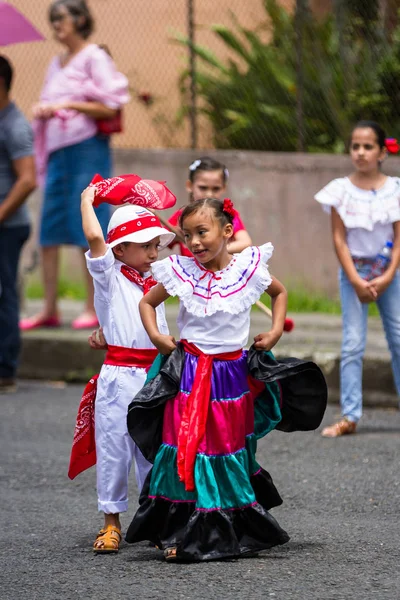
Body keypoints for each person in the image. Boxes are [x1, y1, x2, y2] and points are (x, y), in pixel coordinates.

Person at [124, 197, 328, 561]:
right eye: (187, 236)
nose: (195, 242)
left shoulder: (247, 269)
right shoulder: (182, 271)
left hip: (231, 379)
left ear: (227, 231)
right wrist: (157, 337)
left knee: (223, 448)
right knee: (186, 446)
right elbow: (147, 303)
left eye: (202, 232)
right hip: (188, 375)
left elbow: (279, 293)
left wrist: (276, 330)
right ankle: (180, 530)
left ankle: (224, 530)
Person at [20, 0, 129, 332]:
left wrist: (67, 104)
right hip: (57, 153)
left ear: (80, 19)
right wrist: (46, 109)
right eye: (52, 20)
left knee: (88, 225)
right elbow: (55, 99)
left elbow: (111, 105)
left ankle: (92, 307)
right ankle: (50, 308)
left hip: (86, 149)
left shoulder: (95, 56)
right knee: (50, 229)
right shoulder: (56, 62)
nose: (56, 25)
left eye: (61, 19)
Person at [77, 184, 175, 553]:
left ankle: (159, 522)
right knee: (115, 448)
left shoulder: (158, 279)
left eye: (155, 245)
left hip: (155, 375)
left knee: (155, 450)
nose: (154, 252)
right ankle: (111, 523)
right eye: (145, 245)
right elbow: (92, 235)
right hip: (118, 376)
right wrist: (89, 199)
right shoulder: (108, 276)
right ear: (120, 249)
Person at [315, 120, 400, 438]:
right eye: (355, 146)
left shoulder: (395, 189)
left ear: (381, 152)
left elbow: (398, 236)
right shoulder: (340, 190)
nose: (361, 152)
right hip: (354, 273)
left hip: (390, 272)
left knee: (399, 338)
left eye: (368, 146)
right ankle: (350, 415)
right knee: (352, 344)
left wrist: (389, 275)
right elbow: (339, 239)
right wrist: (354, 279)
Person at [0, 55, 36, 393]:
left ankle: (5, 369)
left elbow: (27, 180)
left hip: (8, 226)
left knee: (3, 293)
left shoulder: (14, 125)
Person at [167, 156, 252, 256]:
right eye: (203, 188)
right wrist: (174, 236)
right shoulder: (181, 216)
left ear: (224, 188)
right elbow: (159, 241)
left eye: (216, 189)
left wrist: (216, 250)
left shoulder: (226, 213)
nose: (209, 194)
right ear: (190, 186)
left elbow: (245, 243)